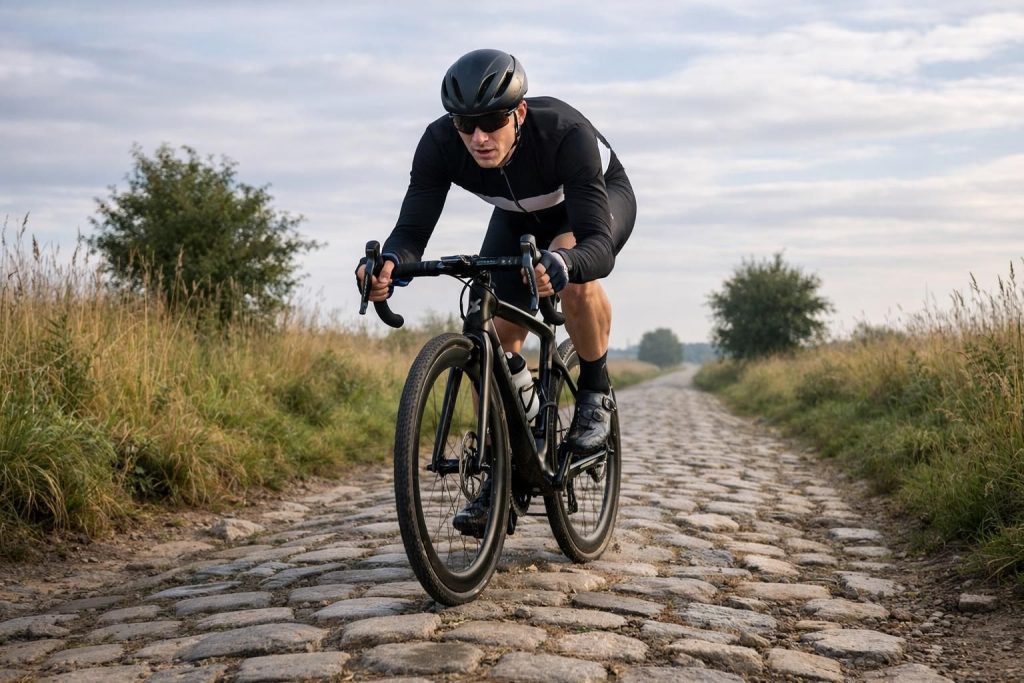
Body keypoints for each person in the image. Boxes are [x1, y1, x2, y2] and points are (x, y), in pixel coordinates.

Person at [356, 48, 636, 536]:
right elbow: (411, 229)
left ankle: (595, 392)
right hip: (517, 211)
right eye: (467, 125)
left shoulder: (565, 134)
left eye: (492, 122)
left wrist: (564, 261)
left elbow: (598, 246)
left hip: (590, 206)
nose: (479, 138)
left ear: (519, 113)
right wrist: (388, 266)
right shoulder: (441, 143)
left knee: (575, 282)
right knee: (497, 333)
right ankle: (508, 468)